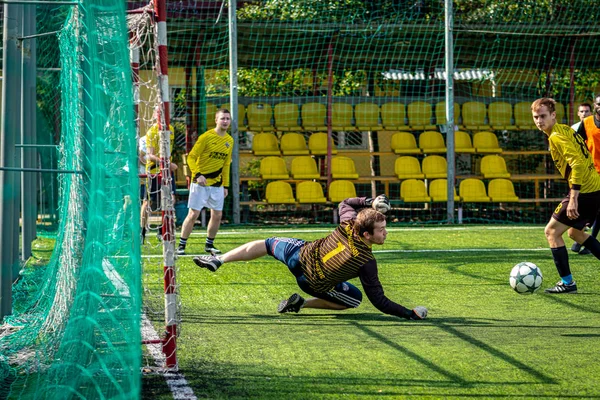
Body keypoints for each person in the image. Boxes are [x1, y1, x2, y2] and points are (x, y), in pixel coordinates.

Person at [192, 195, 428, 320]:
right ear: (367, 234)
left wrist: (370, 202)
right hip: (312, 282)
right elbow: (379, 301)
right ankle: (302, 303)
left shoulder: (348, 222)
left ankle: (219, 260)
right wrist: (409, 313)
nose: (386, 233)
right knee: (354, 300)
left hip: (299, 255)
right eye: (382, 230)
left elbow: (345, 202)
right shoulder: (367, 262)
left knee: (266, 244)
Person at [531, 98, 600, 293]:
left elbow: (577, 163)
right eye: (536, 117)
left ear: (553, 115)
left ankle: (567, 283)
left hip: (584, 191)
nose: (539, 120)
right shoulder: (564, 129)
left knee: (551, 232)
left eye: (543, 116)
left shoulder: (556, 136)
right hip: (594, 187)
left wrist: (574, 198)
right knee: (575, 233)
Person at [177, 109, 233, 255]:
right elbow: (191, 157)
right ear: (216, 120)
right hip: (200, 184)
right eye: (222, 118)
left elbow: (226, 164)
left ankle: (209, 245)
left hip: (217, 185)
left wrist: (226, 185)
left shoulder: (229, 140)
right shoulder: (206, 137)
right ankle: (181, 246)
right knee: (193, 214)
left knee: (217, 215)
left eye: (228, 119)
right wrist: (198, 174)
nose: (225, 121)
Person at [142, 109, 178, 243]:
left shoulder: (172, 129)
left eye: (164, 112)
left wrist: (168, 165)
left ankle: (161, 230)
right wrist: (167, 163)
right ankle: (142, 232)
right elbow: (150, 155)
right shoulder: (152, 131)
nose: (161, 115)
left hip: (167, 171)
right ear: (154, 115)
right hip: (153, 171)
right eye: (158, 113)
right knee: (148, 202)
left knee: (171, 199)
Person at [572, 99, 600, 254]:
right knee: (590, 208)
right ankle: (581, 238)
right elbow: (578, 144)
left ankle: (584, 241)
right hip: (590, 173)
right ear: (595, 106)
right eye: (598, 104)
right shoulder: (587, 123)